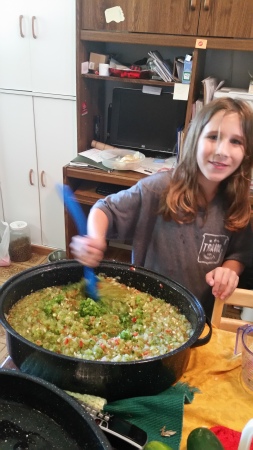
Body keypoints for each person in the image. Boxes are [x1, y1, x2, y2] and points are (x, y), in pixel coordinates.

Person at [70, 97, 253, 319]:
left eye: (236, 141)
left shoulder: (237, 202)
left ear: (246, 153)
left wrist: (230, 270)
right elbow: (104, 208)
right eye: (213, 137)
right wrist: (95, 238)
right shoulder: (159, 188)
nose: (222, 151)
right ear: (195, 140)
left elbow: (240, 253)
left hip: (198, 317)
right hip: (145, 312)